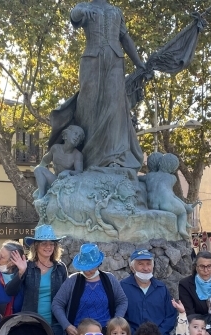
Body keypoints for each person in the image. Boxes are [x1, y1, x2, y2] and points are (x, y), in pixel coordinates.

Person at [49, 0, 147, 170]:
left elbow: (125, 38)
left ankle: (114, 157)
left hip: (116, 62)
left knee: (115, 107)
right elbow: (74, 14)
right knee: (88, 105)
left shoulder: (116, 11)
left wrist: (139, 63)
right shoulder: (85, 6)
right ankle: (89, 158)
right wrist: (81, 11)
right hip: (91, 61)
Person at [52, 243, 128, 335]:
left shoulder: (110, 279)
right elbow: (57, 304)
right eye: (85, 267)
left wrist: (115, 323)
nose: (87, 271)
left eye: (91, 267)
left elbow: (122, 301)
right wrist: (67, 326)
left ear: (98, 264)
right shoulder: (72, 281)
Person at [6, 225, 68, 335]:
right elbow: (10, 291)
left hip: (56, 324)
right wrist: (21, 272)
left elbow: (66, 297)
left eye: (51, 243)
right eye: (44, 243)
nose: (48, 247)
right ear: (36, 246)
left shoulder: (60, 267)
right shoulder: (26, 266)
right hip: (31, 323)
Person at [34, 125, 85, 199]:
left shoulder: (77, 155)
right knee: (38, 169)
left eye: (79, 137)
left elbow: (79, 171)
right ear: (66, 134)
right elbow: (46, 159)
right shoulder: (55, 148)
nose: (77, 137)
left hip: (66, 183)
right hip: (55, 180)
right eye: (75, 133)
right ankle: (41, 195)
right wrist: (40, 166)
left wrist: (68, 172)